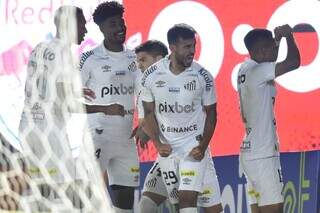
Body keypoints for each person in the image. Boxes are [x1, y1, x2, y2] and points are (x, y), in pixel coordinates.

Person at [18, 5, 124, 210]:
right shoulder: (64, 52)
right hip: (49, 131)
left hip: (28, 125)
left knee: (43, 188)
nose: (85, 29)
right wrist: (105, 108)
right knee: (65, 190)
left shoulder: (40, 48)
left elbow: (46, 88)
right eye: (82, 23)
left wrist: (75, 90)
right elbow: (65, 102)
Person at [140, 24, 223, 213]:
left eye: (193, 46)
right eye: (187, 47)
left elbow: (212, 114)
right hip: (167, 153)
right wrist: (158, 143)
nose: (192, 51)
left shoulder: (203, 77)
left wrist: (202, 147)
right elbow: (148, 113)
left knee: (186, 201)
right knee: (195, 206)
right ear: (173, 47)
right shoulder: (151, 76)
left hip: (193, 148)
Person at [79, 2, 140, 212]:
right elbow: (70, 96)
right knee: (92, 199)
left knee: (125, 203)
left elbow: (145, 95)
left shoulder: (135, 58)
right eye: (113, 24)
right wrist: (102, 108)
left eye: (121, 22)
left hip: (126, 140)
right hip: (98, 136)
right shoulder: (89, 58)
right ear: (102, 29)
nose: (120, 28)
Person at [237, 24, 300, 213]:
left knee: (259, 209)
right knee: (274, 209)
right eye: (271, 46)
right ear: (260, 51)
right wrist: (289, 36)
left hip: (252, 152)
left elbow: (269, 58)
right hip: (263, 154)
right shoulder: (259, 71)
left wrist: (278, 40)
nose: (275, 49)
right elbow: (293, 62)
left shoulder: (246, 68)